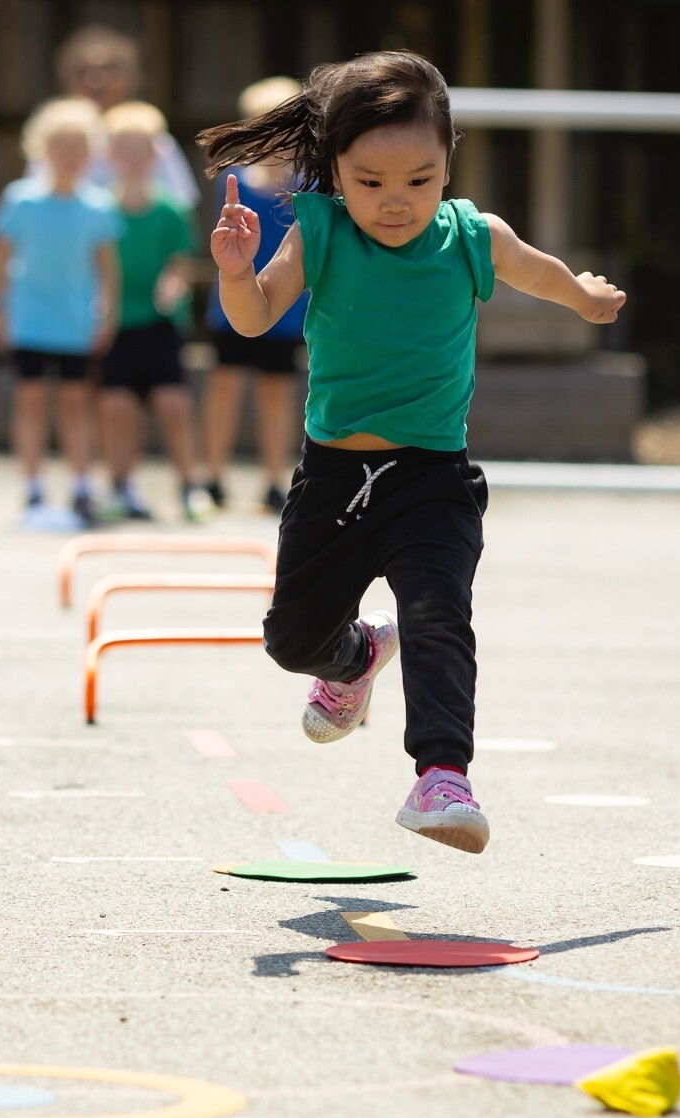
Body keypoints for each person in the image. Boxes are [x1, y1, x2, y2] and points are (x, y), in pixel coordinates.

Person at [200, 51, 625, 854]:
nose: (396, 203)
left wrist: (586, 297)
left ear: (447, 164)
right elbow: (254, 318)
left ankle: (442, 777)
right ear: (333, 169)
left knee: (439, 616)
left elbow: (543, 275)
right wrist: (234, 271)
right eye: (370, 183)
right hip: (334, 479)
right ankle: (357, 654)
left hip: (434, 479)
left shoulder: (471, 237)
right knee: (292, 640)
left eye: (419, 181)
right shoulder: (319, 231)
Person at [0, 97, 120, 529]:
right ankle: (32, 485)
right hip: (29, 319)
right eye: (61, 146)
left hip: (75, 321)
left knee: (77, 403)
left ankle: (81, 485)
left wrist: (107, 313)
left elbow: (107, 267)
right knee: (29, 402)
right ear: (42, 149)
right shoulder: (21, 200)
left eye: (78, 147)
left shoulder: (98, 206)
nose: (69, 156)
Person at [95, 101, 211, 523]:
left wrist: (171, 285)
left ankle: (188, 487)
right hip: (115, 324)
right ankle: (120, 486)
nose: (133, 158)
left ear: (155, 156)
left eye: (142, 149)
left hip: (161, 325)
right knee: (116, 407)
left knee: (173, 403)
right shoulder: (99, 209)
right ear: (109, 155)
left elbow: (181, 263)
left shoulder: (171, 210)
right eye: (123, 149)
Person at [201, 77, 310, 514]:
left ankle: (272, 479)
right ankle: (211, 477)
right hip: (231, 309)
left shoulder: (309, 187)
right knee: (224, 388)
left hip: (285, 310)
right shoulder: (233, 182)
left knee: (276, 391)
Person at [39, 26, 197, 208]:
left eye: (109, 69)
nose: (96, 80)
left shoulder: (152, 138)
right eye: (83, 71)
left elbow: (181, 203)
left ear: (129, 78)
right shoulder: (54, 139)